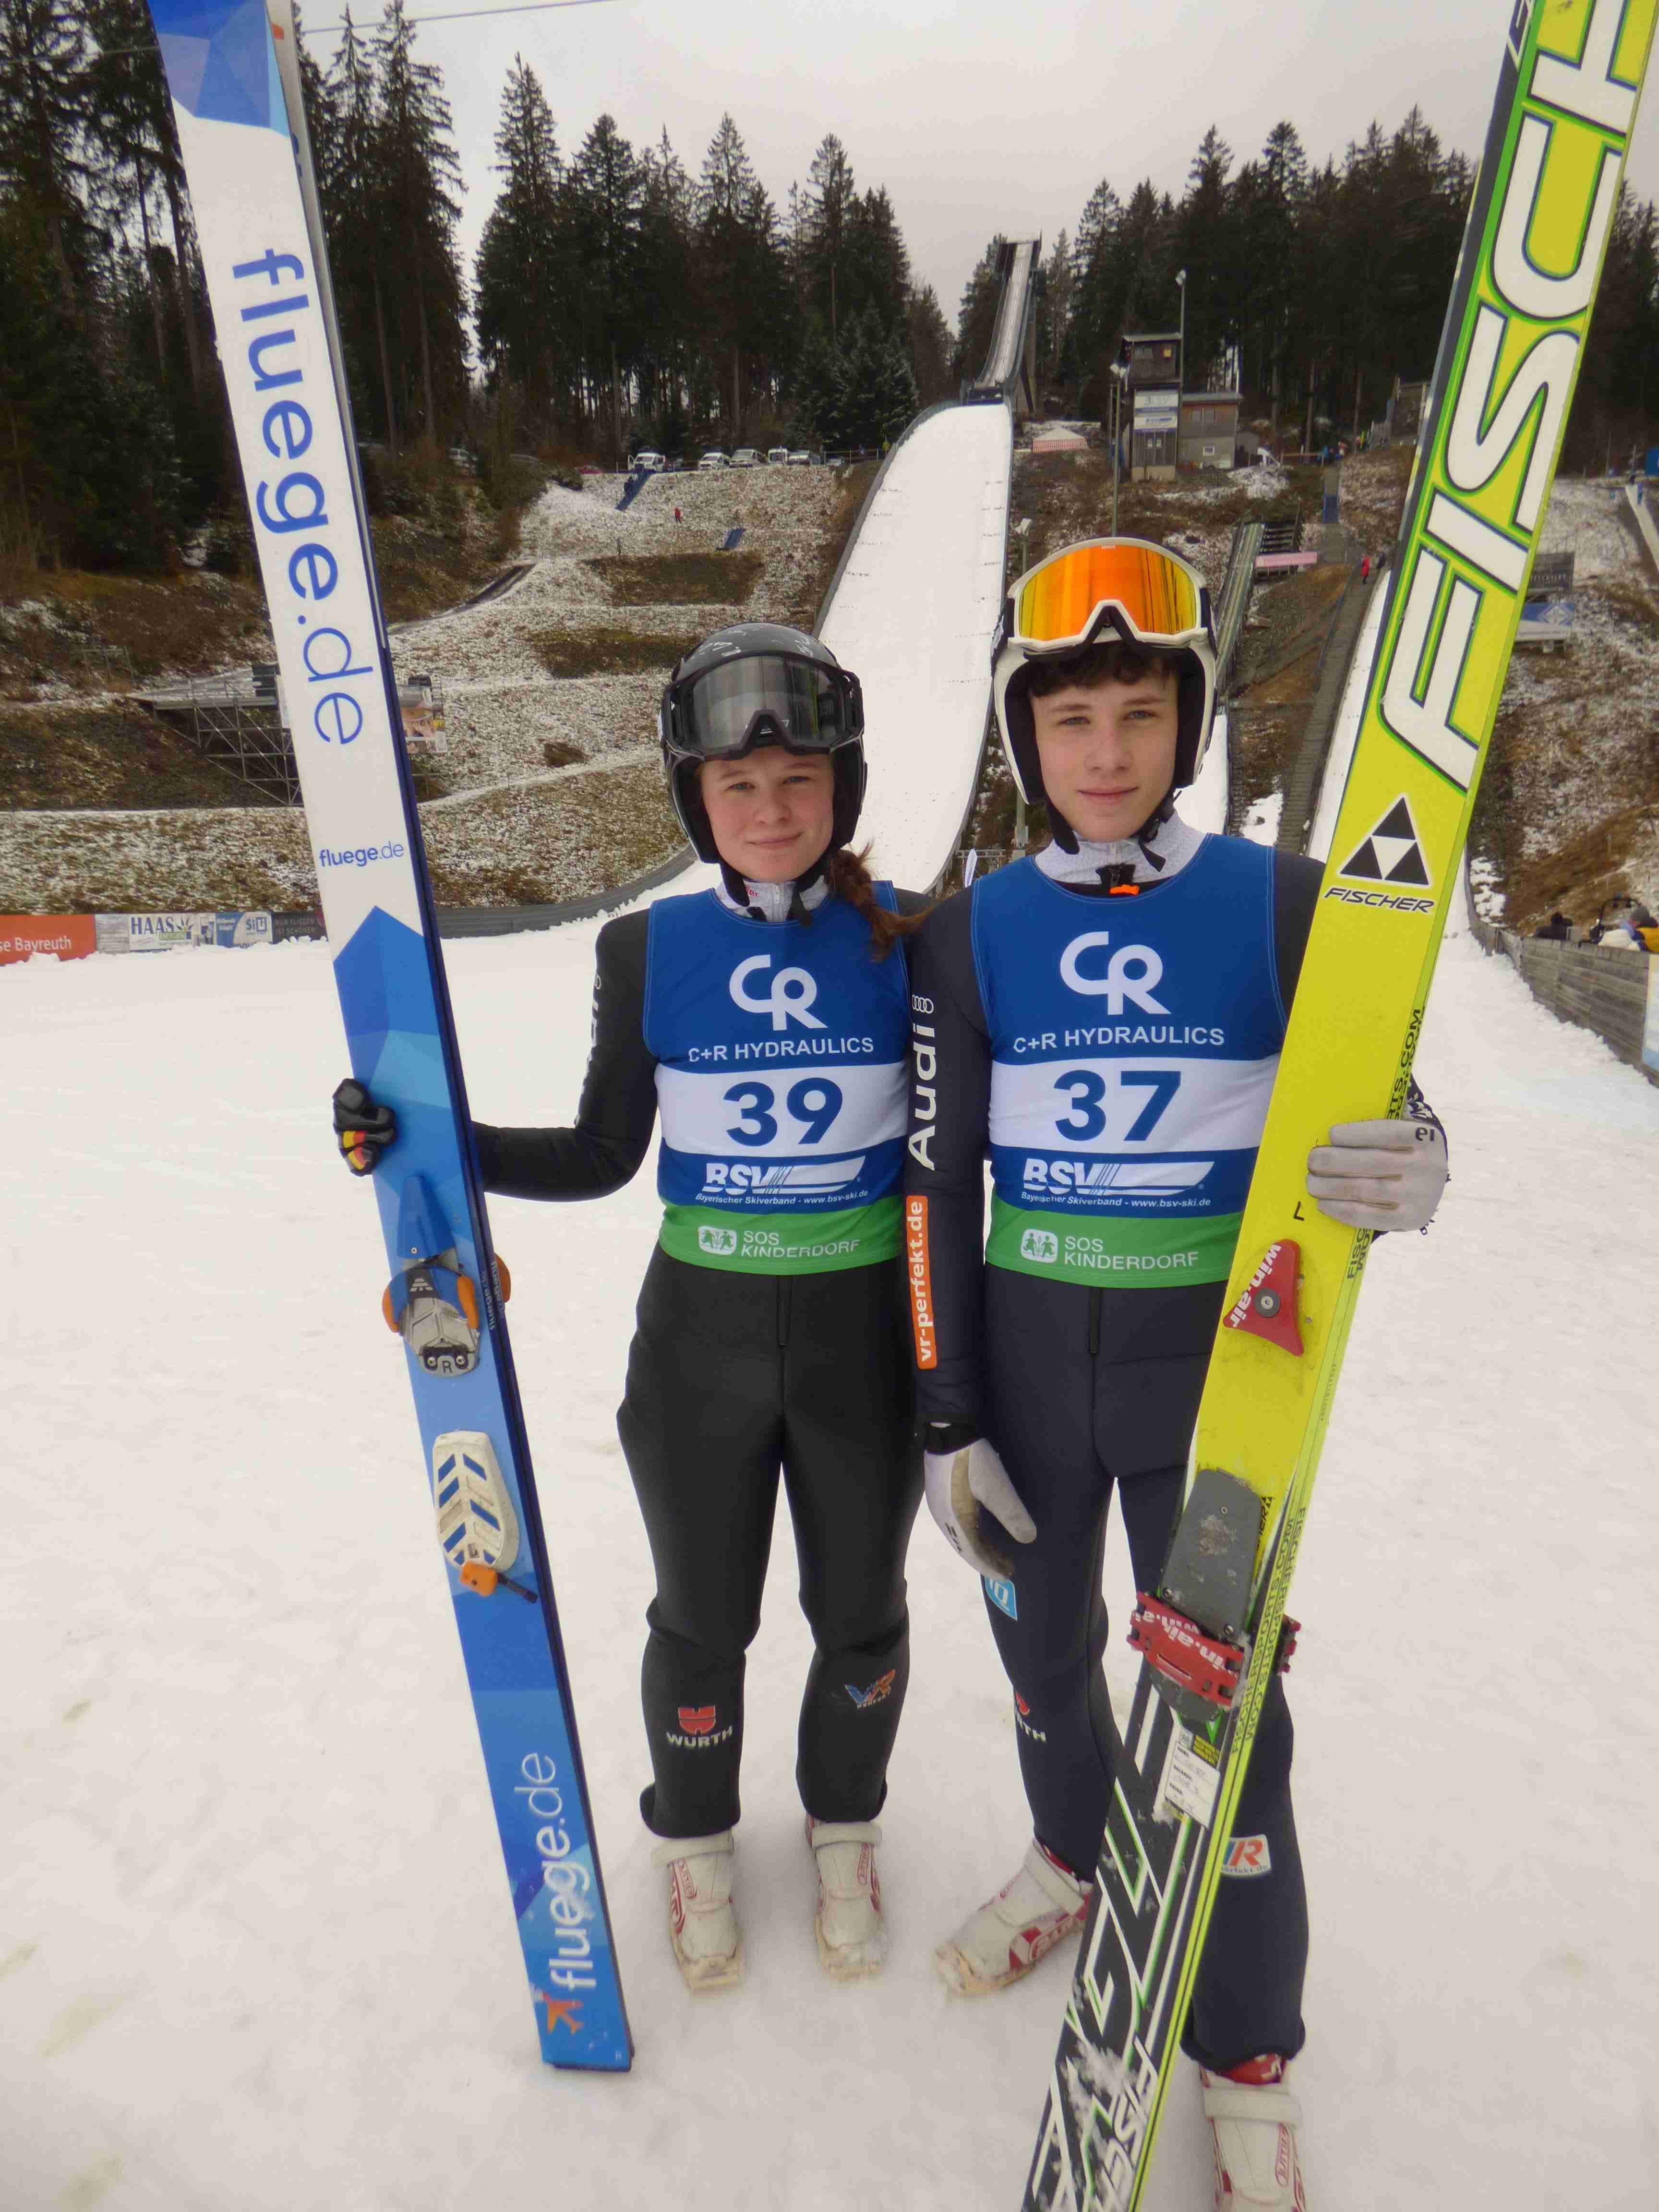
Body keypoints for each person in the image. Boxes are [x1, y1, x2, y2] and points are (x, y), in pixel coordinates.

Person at [902, 540, 1448, 2210]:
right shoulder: (969, 932)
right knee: (1044, 1667)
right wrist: (946, 1410)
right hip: (1028, 1383)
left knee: (1234, 1728)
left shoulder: (1286, 905)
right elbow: (936, 1184)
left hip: (1211, 1394)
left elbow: (1387, 1094)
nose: (1108, 753)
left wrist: (1418, 1151)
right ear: (1028, 739)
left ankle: (1250, 2046)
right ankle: (1073, 1853)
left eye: (1142, 713)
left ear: (1189, 723)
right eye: (1072, 720)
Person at [333, 623, 926, 1993]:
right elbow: (604, 1154)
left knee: (862, 1613)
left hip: (865, 1343)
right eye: (738, 786)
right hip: (703, 1344)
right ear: (696, 799)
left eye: (798, 781)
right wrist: (434, 1140)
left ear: (841, 786)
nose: (770, 811)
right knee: (701, 1617)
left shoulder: (913, 934)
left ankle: (844, 1824)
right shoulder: (645, 948)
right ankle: (697, 1837)